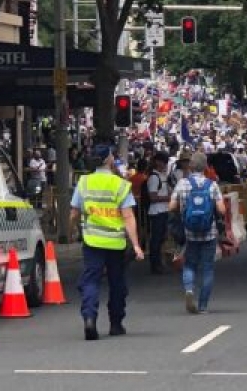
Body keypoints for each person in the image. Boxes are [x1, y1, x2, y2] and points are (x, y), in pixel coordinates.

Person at [69, 143, 145, 340]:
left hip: (92, 240)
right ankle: (116, 324)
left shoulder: (84, 182)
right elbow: (128, 217)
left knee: (91, 280)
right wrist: (136, 244)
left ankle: (89, 318)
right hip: (115, 243)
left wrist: (70, 231)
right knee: (117, 283)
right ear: (108, 160)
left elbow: (74, 212)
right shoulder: (120, 184)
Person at [169, 153, 227, 314]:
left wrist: (183, 208)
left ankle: (189, 289)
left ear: (190, 166)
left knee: (189, 264)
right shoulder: (212, 185)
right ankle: (202, 306)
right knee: (208, 268)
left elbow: (171, 206)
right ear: (206, 167)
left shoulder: (182, 183)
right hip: (209, 232)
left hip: (189, 232)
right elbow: (222, 209)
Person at [146, 152, 172, 274]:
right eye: (164, 162)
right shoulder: (154, 177)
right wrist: (168, 198)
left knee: (161, 238)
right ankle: (154, 264)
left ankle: (158, 263)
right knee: (156, 240)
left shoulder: (161, 176)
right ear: (158, 162)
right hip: (157, 212)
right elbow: (153, 197)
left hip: (163, 210)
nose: (165, 164)